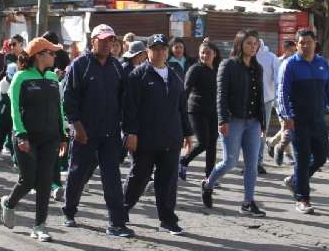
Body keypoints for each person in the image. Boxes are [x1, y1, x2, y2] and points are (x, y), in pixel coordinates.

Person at [61, 24, 134, 238]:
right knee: (78, 174)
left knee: (111, 177)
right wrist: (77, 126)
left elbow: (124, 99)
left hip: (110, 133)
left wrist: (126, 128)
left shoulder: (116, 67)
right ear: (93, 41)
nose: (107, 44)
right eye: (102, 40)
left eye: (110, 40)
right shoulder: (79, 65)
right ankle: (69, 210)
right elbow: (69, 99)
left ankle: (116, 223)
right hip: (84, 132)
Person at [123, 34, 193, 235]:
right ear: (148, 51)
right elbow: (131, 108)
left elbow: (181, 107)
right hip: (146, 138)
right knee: (139, 177)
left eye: (163, 48)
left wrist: (187, 132)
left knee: (168, 181)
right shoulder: (139, 75)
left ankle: (168, 219)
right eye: (156, 48)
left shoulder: (174, 74)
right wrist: (131, 133)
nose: (160, 52)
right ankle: (121, 210)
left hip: (171, 137)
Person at [0, 37, 69, 242]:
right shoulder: (21, 77)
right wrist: (21, 134)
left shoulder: (52, 78)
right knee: (28, 179)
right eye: (51, 52)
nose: (54, 56)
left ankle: (40, 225)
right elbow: (14, 111)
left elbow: (59, 108)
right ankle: (9, 203)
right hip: (26, 138)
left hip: (50, 138)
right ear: (39, 55)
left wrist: (63, 135)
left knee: (45, 181)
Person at [200, 29, 267, 217]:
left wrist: (262, 122)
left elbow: (259, 96)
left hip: (252, 121)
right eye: (248, 43)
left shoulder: (257, 67)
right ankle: (208, 184)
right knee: (230, 161)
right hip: (233, 120)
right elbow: (220, 95)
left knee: (252, 164)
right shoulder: (227, 65)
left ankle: (248, 202)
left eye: (255, 44)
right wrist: (222, 119)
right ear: (239, 44)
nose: (252, 47)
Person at [277, 29, 329, 214]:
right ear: (296, 45)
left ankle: (295, 181)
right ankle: (302, 199)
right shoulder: (290, 65)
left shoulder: (322, 64)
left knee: (321, 157)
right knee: (303, 159)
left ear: (315, 43)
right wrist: (286, 116)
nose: (305, 46)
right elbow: (282, 93)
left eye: (308, 42)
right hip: (298, 121)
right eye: (301, 43)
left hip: (317, 120)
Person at [179, 42, 218, 181]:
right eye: (202, 52)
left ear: (214, 54)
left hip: (213, 112)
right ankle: (184, 161)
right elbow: (186, 90)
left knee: (213, 143)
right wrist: (181, 110)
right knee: (203, 142)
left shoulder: (216, 69)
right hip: (196, 110)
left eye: (208, 53)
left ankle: (210, 176)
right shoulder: (195, 69)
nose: (205, 55)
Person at [270, 40, 298, 165]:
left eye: (294, 51)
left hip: (291, 100)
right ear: (285, 50)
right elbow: (273, 81)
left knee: (287, 127)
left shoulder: (295, 63)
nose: (293, 53)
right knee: (286, 126)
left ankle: (271, 143)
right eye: (291, 51)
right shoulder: (278, 62)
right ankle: (287, 154)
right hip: (278, 100)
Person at [256, 39, 280, 175]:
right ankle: (250, 162)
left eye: (255, 43)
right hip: (247, 101)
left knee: (261, 132)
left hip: (266, 101)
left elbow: (277, 79)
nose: (253, 46)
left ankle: (258, 162)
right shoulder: (246, 56)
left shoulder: (271, 57)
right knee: (248, 133)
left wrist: (277, 99)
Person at [0, 63, 17, 158]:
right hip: (3, 112)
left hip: (15, 112)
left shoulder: (18, 81)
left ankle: (13, 154)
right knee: (1, 132)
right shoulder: (2, 83)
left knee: (13, 133)